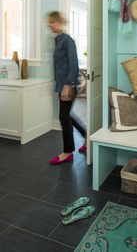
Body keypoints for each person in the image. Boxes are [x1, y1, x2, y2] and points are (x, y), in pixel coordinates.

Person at [47, 11, 87, 165]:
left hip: (67, 86)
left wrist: (67, 86)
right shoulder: (58, 40)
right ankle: (87, 137)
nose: (50, 25)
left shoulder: (67, 40)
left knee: (64, 117)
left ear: (59, 22)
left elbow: (74, 65)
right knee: (67, 116)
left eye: (52, 22)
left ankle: (67, 152)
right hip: (61, 85)